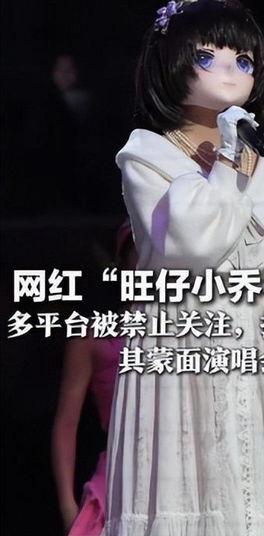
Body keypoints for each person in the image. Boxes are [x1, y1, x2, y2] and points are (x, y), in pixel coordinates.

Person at [105, 1, 264, 534]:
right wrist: (227, 160)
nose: (230, 70)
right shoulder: (147, 156)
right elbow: (190, 245)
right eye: (206, 56)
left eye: (243, 60)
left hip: (247, 354)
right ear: (171, 63)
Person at [52, 221, 136, 535]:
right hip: (115, 481)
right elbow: (66, 423)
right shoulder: (92, 338)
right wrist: (68, 506)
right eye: (136, 253)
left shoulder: (187, 336)